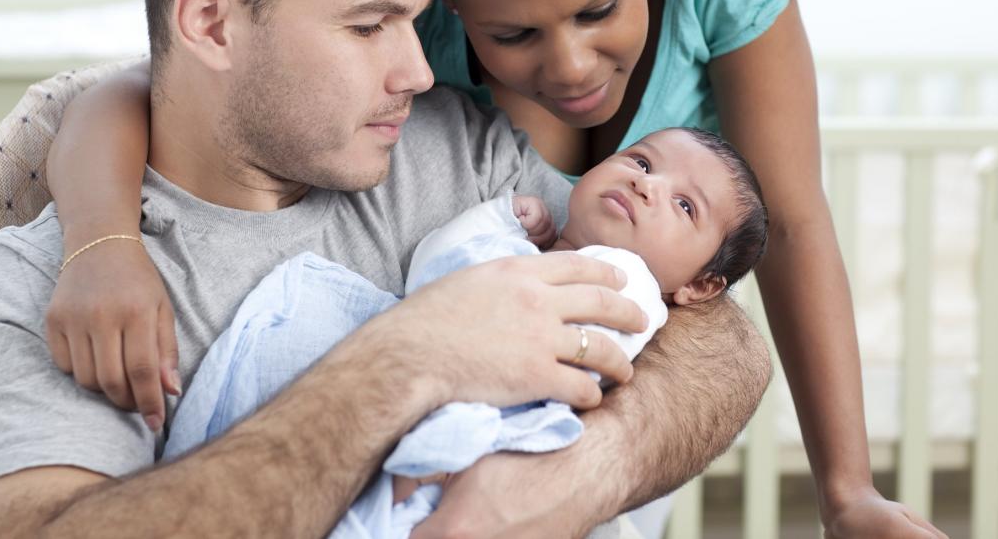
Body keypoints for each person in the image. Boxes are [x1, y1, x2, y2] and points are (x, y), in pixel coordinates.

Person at [42, 0, 946, 536]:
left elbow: (784, 220)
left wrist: (847, 490)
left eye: (600, 12)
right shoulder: (414, 10)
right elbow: (146, 85)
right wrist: (101, 239)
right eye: (510, 34)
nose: (572, 67)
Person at [0, 0, 771, 539]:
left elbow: (724, 342)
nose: (418, 71)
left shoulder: (463, 154)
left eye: (414, 22)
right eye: (370, 25)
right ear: (210, 21)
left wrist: (579, 475)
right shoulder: (53, 289)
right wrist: (412, 357)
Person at [162, 126, 769, 538]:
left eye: (685, 207)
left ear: (701, 288)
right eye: (641, 160)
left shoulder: (630, 288)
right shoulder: (529, 233)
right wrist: (499, 220)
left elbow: (519, 359)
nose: (646, 184)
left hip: (490, 431)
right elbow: (436, 274)